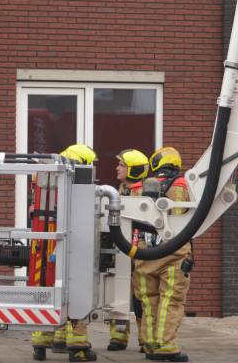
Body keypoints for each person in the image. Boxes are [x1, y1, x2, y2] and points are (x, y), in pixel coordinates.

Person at [32, 144, 98, 362]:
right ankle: (78, 348)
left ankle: (41, 343)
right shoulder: (73, 183)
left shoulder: (48, 180)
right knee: (75, 293)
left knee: (47, 292)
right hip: (68, 246)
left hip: (45, 244)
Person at [133, 147, 192, 362]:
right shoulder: (186, 186)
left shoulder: (138, 188)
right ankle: (165, 345)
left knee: (148, 300)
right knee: (171, 300)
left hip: (144, 253)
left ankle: (149, 343)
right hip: (175, 253)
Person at [108, 149, 151, 352]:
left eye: (122, 165)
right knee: (118, 295)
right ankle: (118, 337)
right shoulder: (118, 192)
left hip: (139, 253)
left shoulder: (143, 195)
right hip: (120, 252)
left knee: (141, 297)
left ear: (133, 170)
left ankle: (145, 339)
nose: (117, 168)